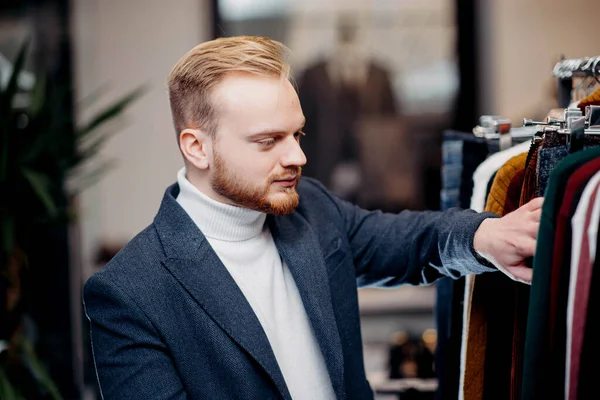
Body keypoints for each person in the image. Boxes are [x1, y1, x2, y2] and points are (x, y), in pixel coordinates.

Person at [83, 36, 542, 400]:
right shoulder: (129, 294)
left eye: (297, 134)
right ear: (197, 147)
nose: (298, 156)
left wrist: (488, 235)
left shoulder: (314, 210)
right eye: (269, 140)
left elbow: (408, 240)